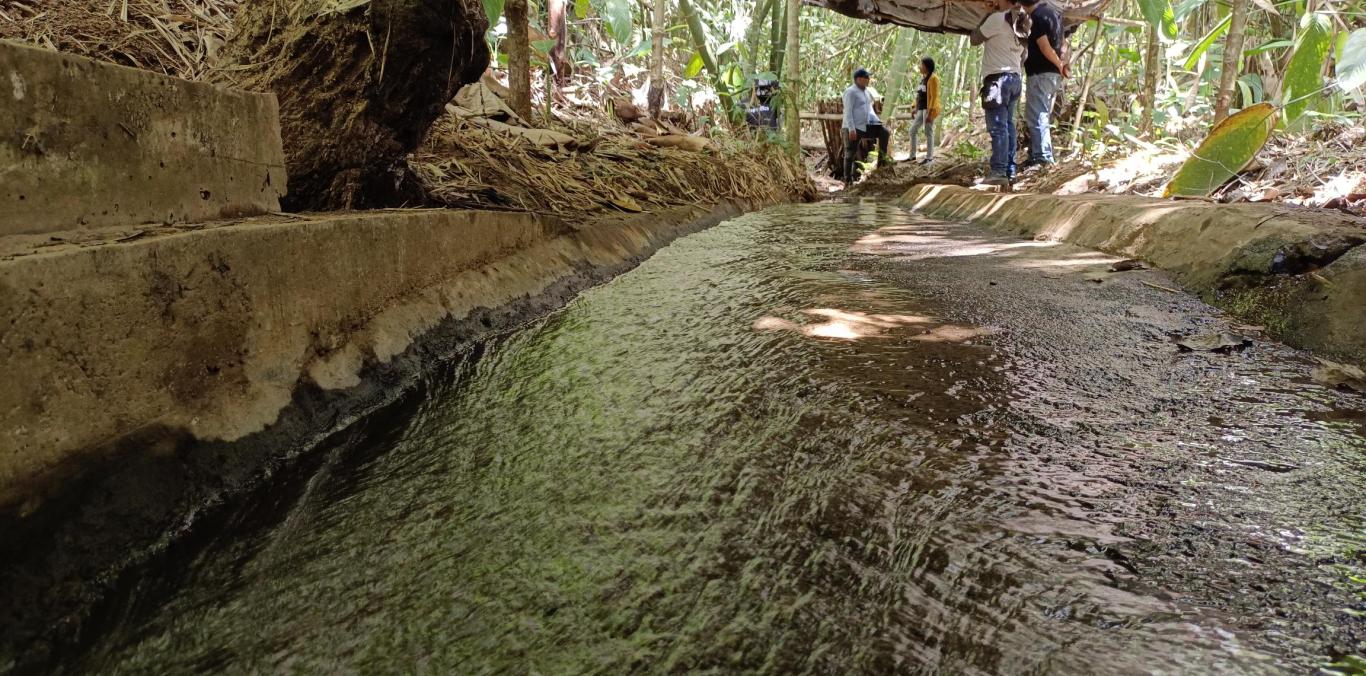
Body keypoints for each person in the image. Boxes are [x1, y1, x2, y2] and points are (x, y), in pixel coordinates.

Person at [970, 0, 1029, 185]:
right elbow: (1024, 56)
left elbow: (974, 39)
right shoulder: (1024, 23)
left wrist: (987, 13)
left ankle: (998, 171)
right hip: (1015, 79)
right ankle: (1009, 170)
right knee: (1008, 126)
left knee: (998, 128)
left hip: (998, 81)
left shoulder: (996, 19)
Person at [1020, 0, 1069, 168]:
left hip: (1041, 73)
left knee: (1037, 115)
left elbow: (1045, 47)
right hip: (1051, 74)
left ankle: (1043, 157)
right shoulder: (1053, 14)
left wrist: (1060, 64)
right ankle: (1036, 154)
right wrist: (1061, 62)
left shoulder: (1037, 17)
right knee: (1040, 113)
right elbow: (1064, 43)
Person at [842, 68, 891, 181]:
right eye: (866, 77)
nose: (868, 79)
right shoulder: (850, 92)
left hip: (865, 125)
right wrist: (851, 129)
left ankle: (881, 165)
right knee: (850, 154)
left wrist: (876, 121)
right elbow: (848, 111)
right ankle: (847, 180)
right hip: (852, 127)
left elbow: (869, 110)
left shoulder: (866, 92)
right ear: (858, 79)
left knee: (884, 133)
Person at [907, 57, 941, 164]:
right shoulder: (923, 79)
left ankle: (929, 158)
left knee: (928, 132)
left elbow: (934, 97)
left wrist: (930, 113)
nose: (919, 67)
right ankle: (912, 156)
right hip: (921, 109)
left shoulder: (933, 78)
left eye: (921, 65)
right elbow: (919, 95)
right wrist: (915, 108)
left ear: (927, 66)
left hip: (929, 109)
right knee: (912, 130)